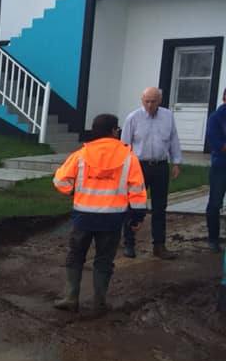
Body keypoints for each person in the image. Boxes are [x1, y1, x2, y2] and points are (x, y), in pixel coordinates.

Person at [53, 113, 147, 314]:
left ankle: (71, 298)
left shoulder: (81, 155)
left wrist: (72, 191)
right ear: (114, 131)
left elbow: (60, 180)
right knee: (104, 260)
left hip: (83, 217)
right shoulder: (129, 158)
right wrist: (137, 217)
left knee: (76, 255)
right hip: (112, 219)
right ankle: (99, 303)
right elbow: (137, 190)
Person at [120, 86, 182, 259]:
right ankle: (129, 243)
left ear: (159, 101)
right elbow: (124, 145)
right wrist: (125, 168)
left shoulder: (168, 116)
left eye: (153, 101)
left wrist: (176, 162)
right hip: (139, 166)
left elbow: (173, 139)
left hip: (161, 166)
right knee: (134, 206)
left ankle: (159, 245)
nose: (150, 104)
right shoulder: (133, 118)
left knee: (160, 207)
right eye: (146, 101)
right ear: (142, 100)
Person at [207, 88, 226, 253]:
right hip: (221, 166)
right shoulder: (216, 118)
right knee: (215, 202)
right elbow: (217, 144)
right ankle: (213, 239)